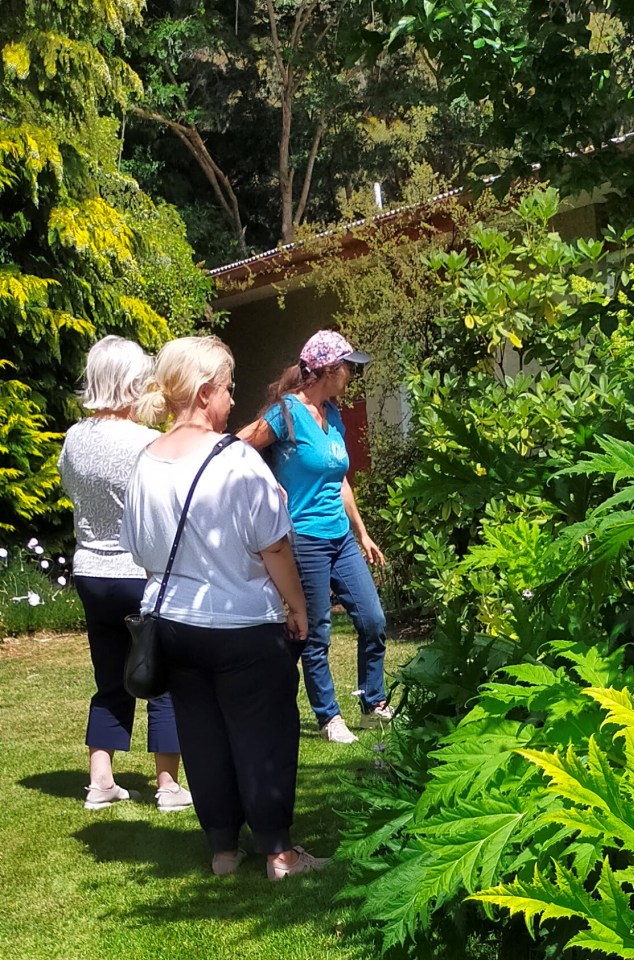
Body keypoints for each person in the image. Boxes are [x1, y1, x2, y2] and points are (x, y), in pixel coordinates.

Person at [121, 335, 326, 879]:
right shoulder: (236, 459)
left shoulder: (144, 463)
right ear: (207, 390)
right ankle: (279, 853)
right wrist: (297, 604)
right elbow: (275, 544)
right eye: (229, 388)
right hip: (243, 623)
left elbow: (141, 549)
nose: (232, 400)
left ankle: (222, 851)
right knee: (263, 734)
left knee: (203, 735)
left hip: (175, 624)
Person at [58, 335, 192, 812]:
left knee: (110, 678)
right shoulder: (146, 442)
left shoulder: (74, 438)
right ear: (131, 383)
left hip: (90, 573)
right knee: (159, 676)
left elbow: (70, 487)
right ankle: (168, 785)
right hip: (138, 573)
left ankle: (100, 782)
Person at [239, 328, 392, 744]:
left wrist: (362, 533)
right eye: (348, 369)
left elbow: (339, 480)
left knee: (373, 620)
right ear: (330, 369)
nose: (351, 377)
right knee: (317, 630)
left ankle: (372, 702)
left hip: (340, 536)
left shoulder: (334, 415)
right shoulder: (286, 413)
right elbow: (237, 447)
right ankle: (329, 717)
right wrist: (269, 483)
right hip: (303, 536)